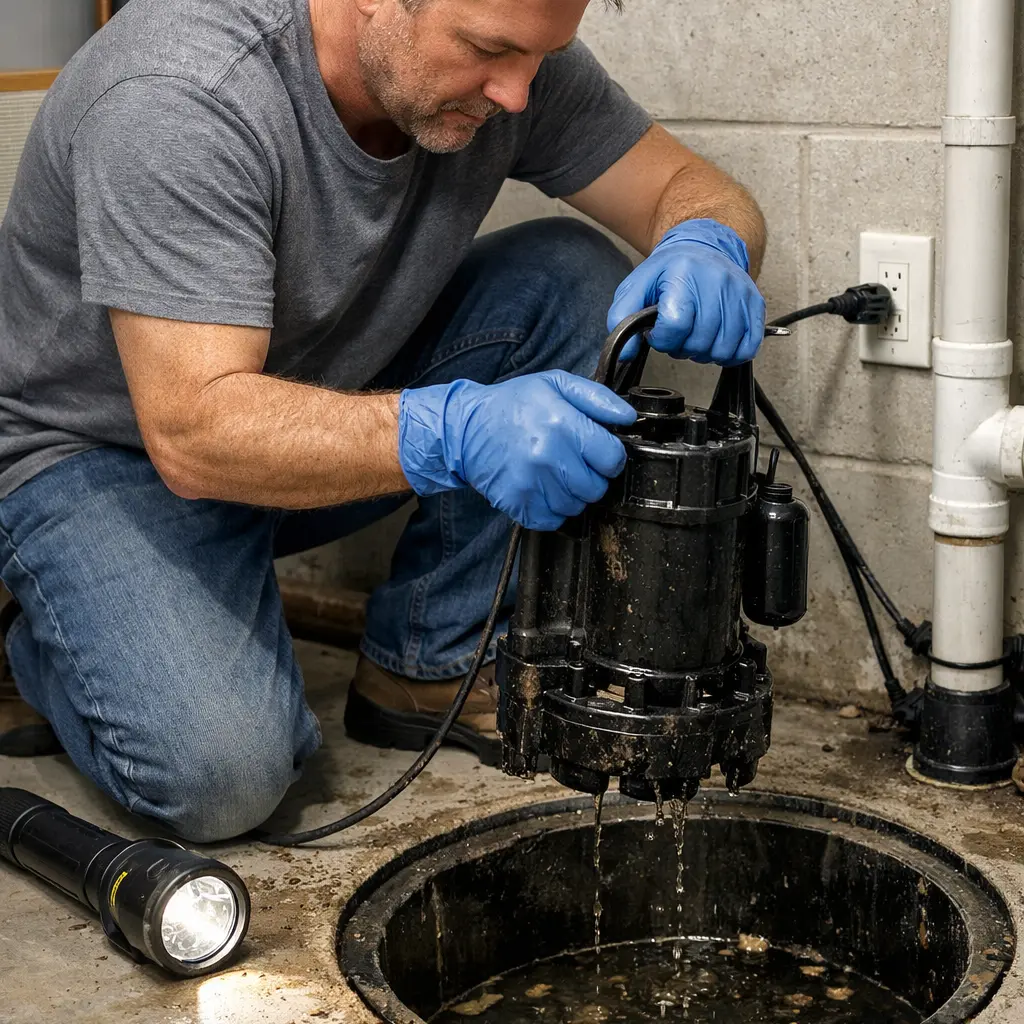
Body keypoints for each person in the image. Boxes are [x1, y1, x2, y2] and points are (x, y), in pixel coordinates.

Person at [0, 0, 766, 841]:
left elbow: (689, 186)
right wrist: (456, 431)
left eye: (540, 58)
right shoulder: (180, 93)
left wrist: (707, 239)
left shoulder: (515, 63)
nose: (514, 93)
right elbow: (195, 431)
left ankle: (430, 663)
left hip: (301, 414)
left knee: (573, 278)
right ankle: (41, 633)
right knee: (221, 781)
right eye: (486, 51)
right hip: (107, 456)